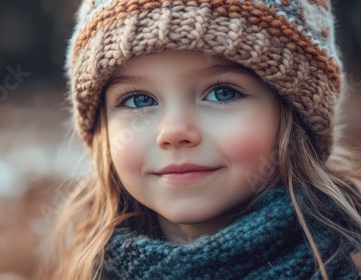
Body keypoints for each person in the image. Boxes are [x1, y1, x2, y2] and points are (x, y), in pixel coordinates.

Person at [43, 0, 361, 279]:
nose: (173, 132)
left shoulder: (343, 264)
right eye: (139, 100)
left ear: (295, 118)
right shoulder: (91, 269)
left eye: (222, 93)